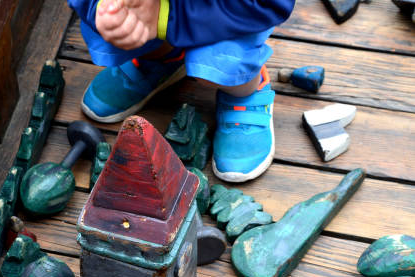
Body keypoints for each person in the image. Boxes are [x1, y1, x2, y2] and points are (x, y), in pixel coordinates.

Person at [67, 0, 295, 182]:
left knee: (222, 60)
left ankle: (244, 88)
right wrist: (104, 10)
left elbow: (268, 4)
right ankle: (164, 57)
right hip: (154, 11)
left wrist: (164, 18)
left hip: (226, 13)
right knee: (113, 17)